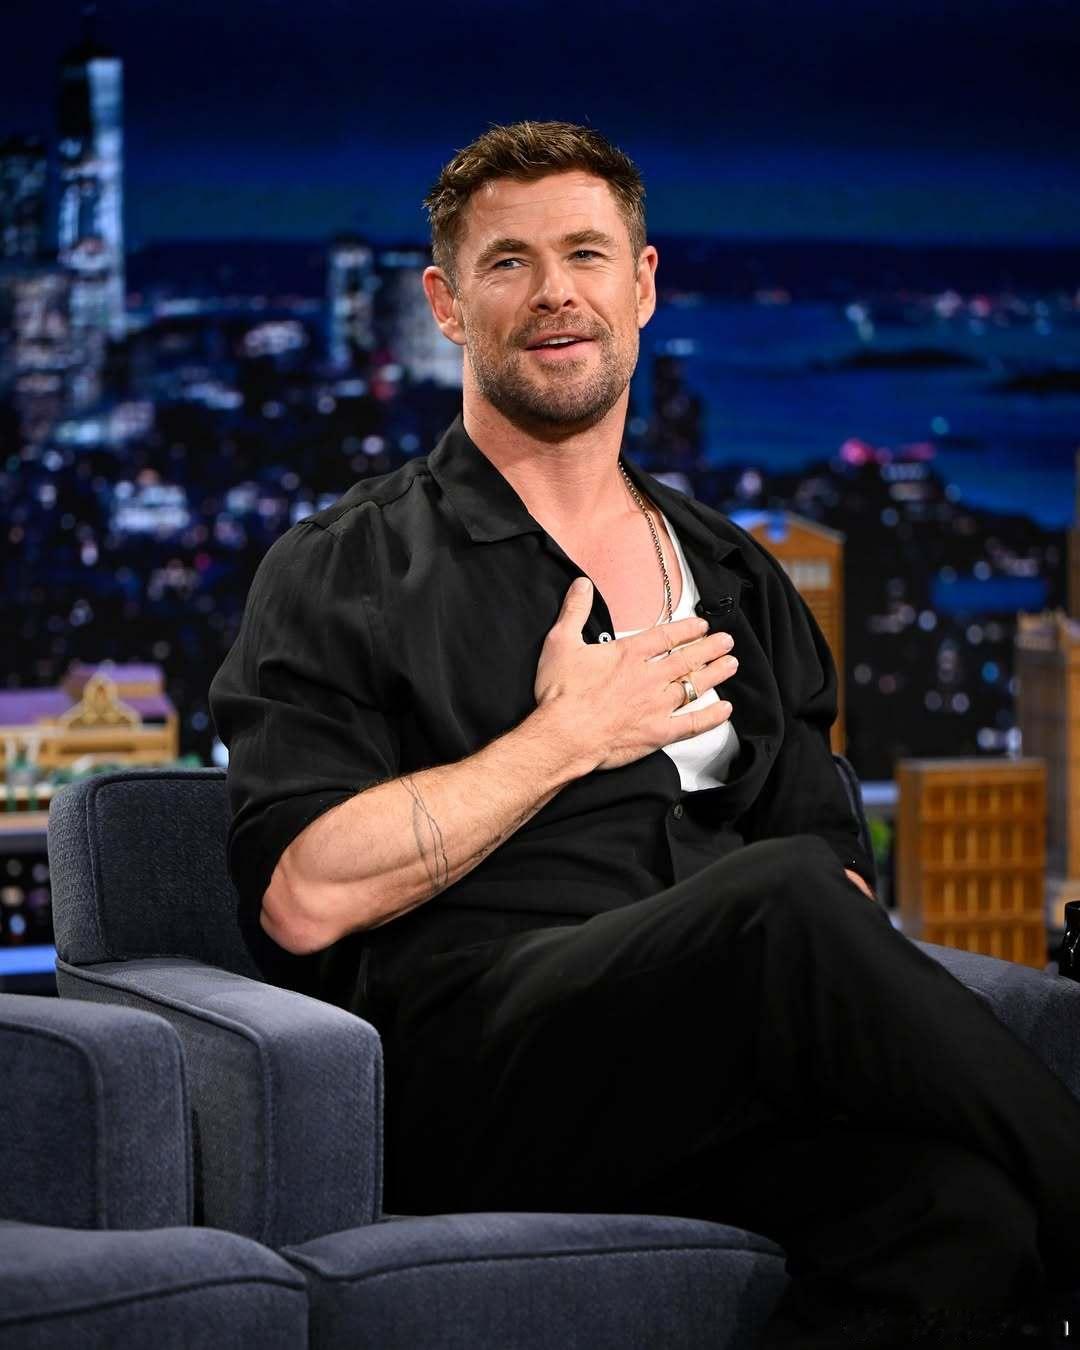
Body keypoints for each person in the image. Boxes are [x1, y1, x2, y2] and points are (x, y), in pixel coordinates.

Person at [210, 121, 1080, 1347]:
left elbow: (835, 879)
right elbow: (303, 897)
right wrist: (568, 736)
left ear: (644, 285)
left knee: (962, 1216)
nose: (554, 292)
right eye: (508, 263)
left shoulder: (738, 575)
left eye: (585, 254)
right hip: (474, 1079)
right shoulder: (345, 566)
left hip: (713, 1071)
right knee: (776, 899)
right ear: (447, 306)